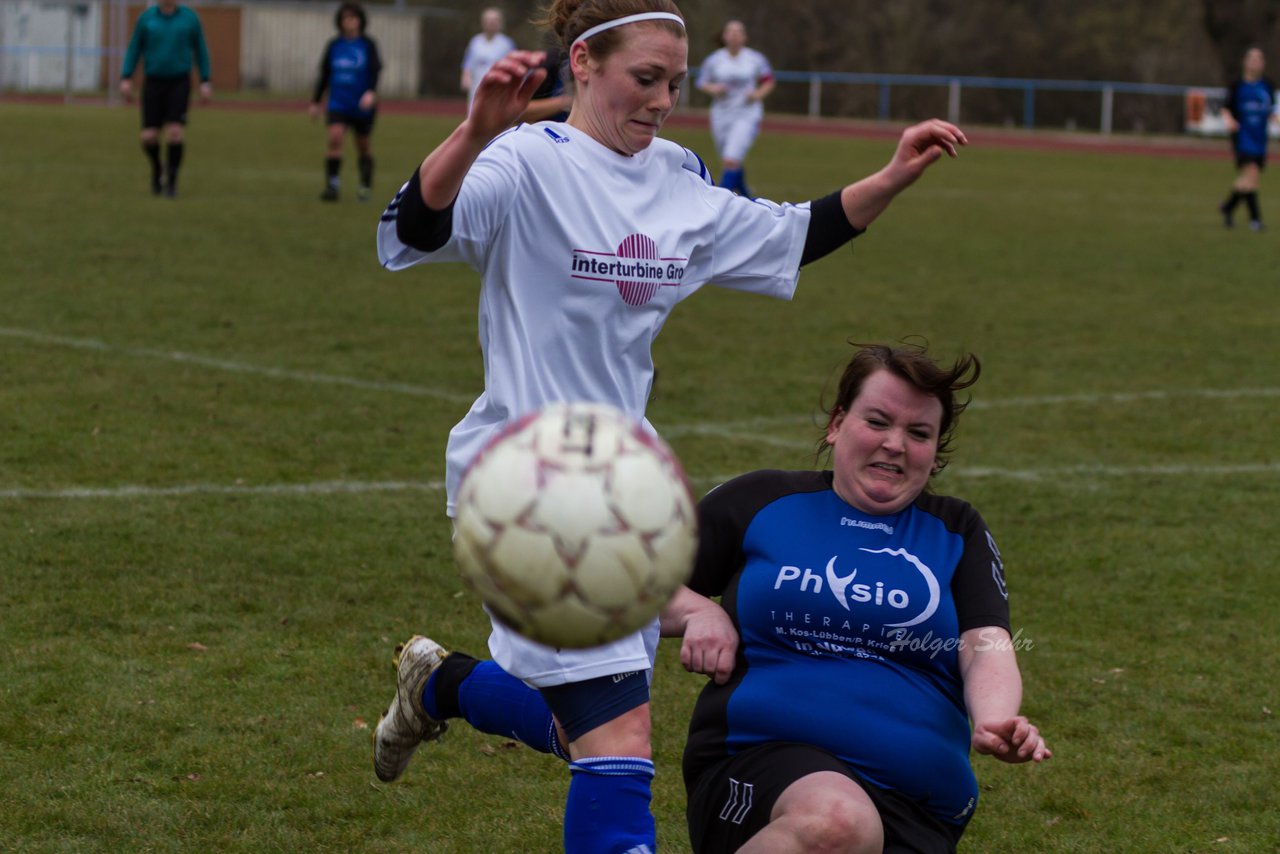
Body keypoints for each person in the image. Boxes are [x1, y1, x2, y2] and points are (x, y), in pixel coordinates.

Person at [371, 0, 966, 850]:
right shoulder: (527, 160)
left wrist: (895, 173)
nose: (661, 100)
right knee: (620, 744)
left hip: (624, 483)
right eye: (644, 79)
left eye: (674, 84)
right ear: (583, 62)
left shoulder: (674, 177)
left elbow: (789, 236)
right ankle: (446, 687)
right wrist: (471, 133)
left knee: (593, 727)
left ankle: (442, 685)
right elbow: (422, 228)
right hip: (521, 477)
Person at [675, 341, 1051, 854]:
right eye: (878, 421)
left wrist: (995, 719)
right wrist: (698, 609)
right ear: (837, 424)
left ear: (935, 451)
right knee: (837, 822)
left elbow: (985, 641)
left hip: (919, 809)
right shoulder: (762, 500)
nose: (895, 444)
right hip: (765, 763)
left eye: (919, 433)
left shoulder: (956, 530)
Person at [119, 0, 212, 197]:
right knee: (149, 136)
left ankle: (172, 183)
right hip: (153, 82)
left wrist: (205, 80)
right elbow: (135, 48)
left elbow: (200, 50)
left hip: (179, 82)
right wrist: (126, 77)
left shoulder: (189, 18)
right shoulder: (147, 19)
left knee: (175, 132)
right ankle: (157, 168)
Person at [310, 2, 383, 202]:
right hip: (338, 103)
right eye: (345, 18)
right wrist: (316, 102)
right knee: (334, 138)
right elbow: (325, 75)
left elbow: (376, 71)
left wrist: (371, 92)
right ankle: (332, 186)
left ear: (360, 21)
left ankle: (365, 186)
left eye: (353, 17)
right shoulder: (334, 45)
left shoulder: (368, 45)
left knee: (363, 146)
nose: (349, 21)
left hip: (361, 105)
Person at [695, 20, 774, 196]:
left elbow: (768, 80)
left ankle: (719, 200)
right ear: (724, 36)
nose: (735, 35)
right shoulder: (714, 60)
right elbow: (701, 82)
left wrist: (758, 94)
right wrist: (714, 89)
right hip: (721, 114)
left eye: (739, 32)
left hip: (747, 114)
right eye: (731, 31)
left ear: (744, 37)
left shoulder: (754, 58)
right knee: (730, 161)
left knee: (731, 160)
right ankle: (746, 197)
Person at [1219, 47, 1279, 231]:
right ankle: (1255, 220)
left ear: (1263, 63)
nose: (1255, 61)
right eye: (1251, 58)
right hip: (1242, 138)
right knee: (1252, 175)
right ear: (1245, 62)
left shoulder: (1267, 86)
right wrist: (1229, 120)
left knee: (1248, 179)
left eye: (1258, 58)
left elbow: (1272, 111)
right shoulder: (1237, 85)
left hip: (1260, 138)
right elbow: (1225, 108)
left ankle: (1228, 207)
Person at [460, 7, 517, 114]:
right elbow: (468, 63)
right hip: (477, 86)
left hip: (499, 87)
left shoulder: (506, 43)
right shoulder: (475, 42)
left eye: (494, 20)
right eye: (488, 20)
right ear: (483, 22)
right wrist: (465, 77)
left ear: (500, 23)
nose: (491, 23)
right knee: (474, 114)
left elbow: (515, 65)